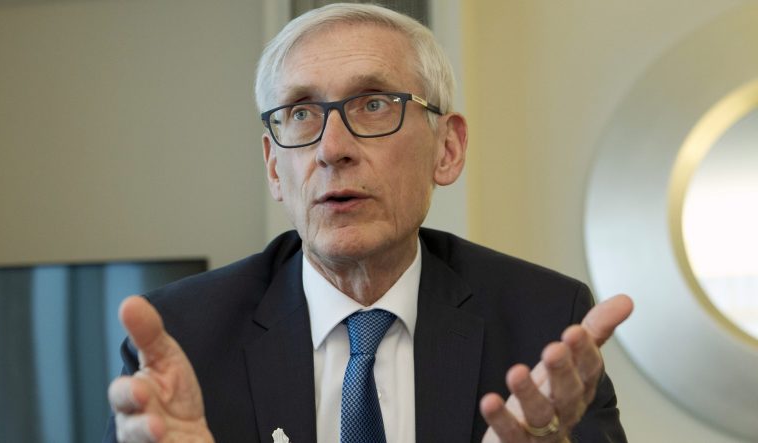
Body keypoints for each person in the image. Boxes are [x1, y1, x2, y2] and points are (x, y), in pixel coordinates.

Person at [103, 3, 633, 443]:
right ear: (274, 167)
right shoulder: (183, 340)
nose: (332, 149)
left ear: (447, 149)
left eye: (374, 104)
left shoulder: (542, 325)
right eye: (301, 113)